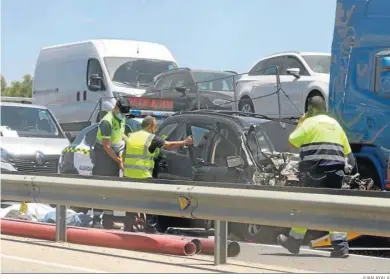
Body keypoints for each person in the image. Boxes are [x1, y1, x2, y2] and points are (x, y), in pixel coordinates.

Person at [277, 96, 356, 258]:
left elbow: (292, 142)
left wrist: (301, 121)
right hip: (335, 173)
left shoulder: (308, 123)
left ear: (310, 109)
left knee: (308, 206)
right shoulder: (335, 125)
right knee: (333, 208)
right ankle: (340, 247)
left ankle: (293, 241)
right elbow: (348, 152)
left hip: (315, 172)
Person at [122, 116, 193, 233]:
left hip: (129, 175)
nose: (155, 130)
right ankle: (150, 227)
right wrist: (185, 142)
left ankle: (128, 226)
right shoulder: (151, 138)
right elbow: (168, 145)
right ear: (150, 127)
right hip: (143, 175)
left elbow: (124, 154)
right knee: (150, 201)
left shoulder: (132, 136)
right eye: (155, 127)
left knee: (131, 201)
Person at [91, 97, 131, 229]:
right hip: (103, 155)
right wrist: (119, 160)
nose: (123, 116)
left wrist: (130, 139)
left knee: (110, 190)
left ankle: (108, 220)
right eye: (122, 112)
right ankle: (96, 219)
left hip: (113, 154)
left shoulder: (121, 118)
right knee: (101, 188)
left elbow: (120, 135)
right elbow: (106, 146)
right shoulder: (107, 122)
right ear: (116, 108)